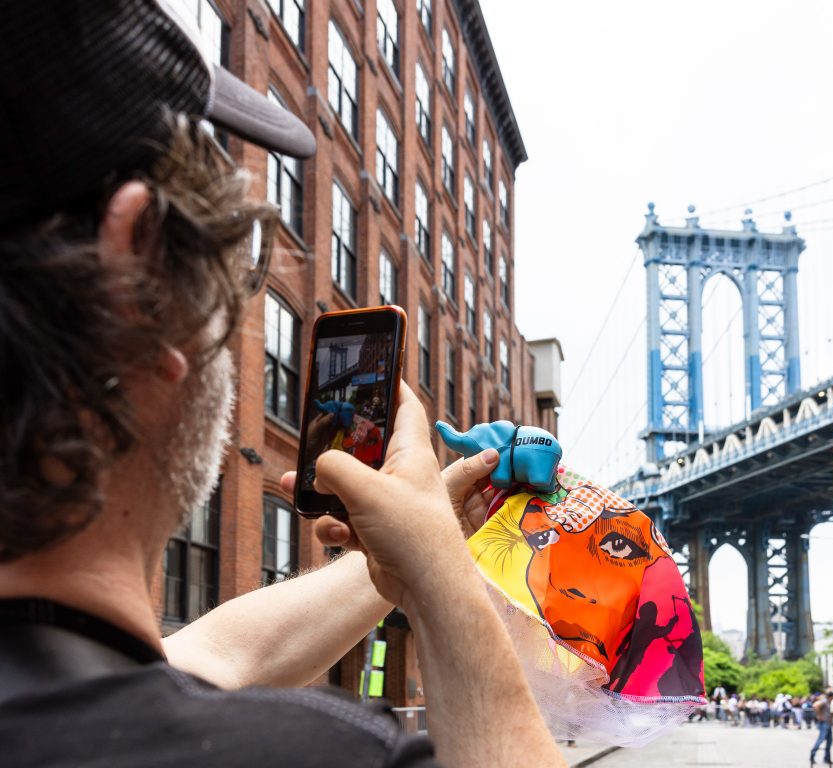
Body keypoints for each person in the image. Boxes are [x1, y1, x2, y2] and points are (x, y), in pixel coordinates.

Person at [0, 3, 565, 767]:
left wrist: (434, 547)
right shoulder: (318, 756)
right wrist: (447, 590)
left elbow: (212, 658)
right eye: (233, 267)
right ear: (135, 286)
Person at [810, 691, 833, 766]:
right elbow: (815, 705)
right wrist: (819, 715)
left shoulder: (829, 703)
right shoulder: (824, 701)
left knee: (829, 741)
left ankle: (827, 758)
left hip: (828, 723)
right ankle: (812, 756)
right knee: (821, 739)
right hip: (824, 723)